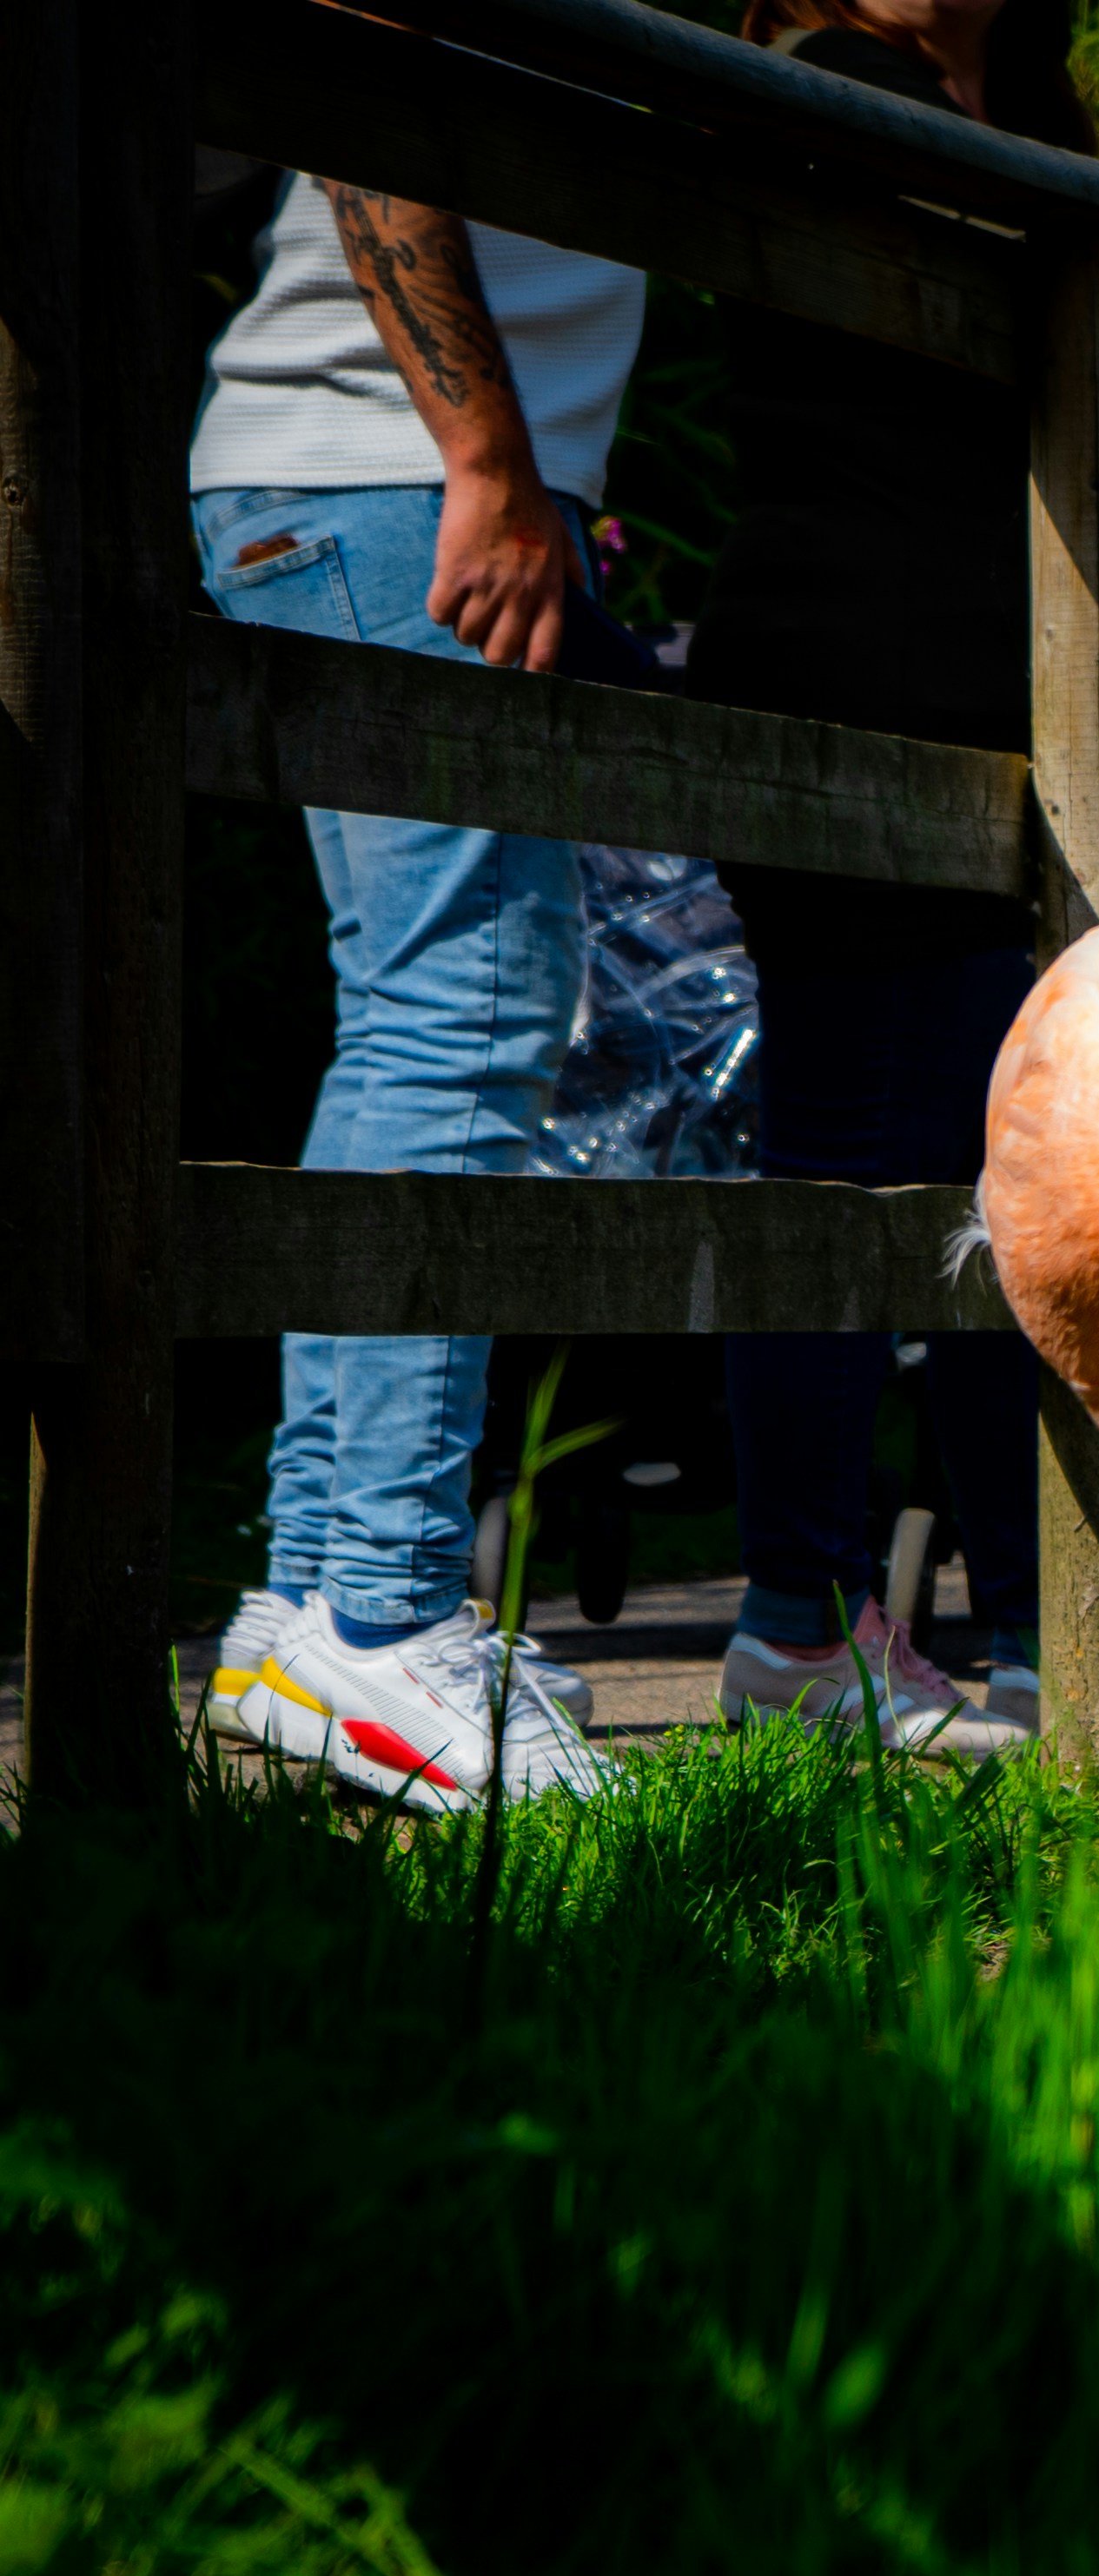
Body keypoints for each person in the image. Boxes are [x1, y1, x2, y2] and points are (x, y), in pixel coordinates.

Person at [687, 0, 1099, 1750]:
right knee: (853, 1167)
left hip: (1002, 729)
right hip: (845, 695)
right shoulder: (816, 87)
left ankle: (1030, 1641)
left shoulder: (1027, 95)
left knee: (991, 1185)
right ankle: (799, 1625)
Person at [188, 175, 632, 1803]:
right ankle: (385, 1611)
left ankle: (307, 1607)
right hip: (399, 474)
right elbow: (376, 108)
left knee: (408, 1017)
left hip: (370, 475)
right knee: (471, 1005)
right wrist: (492, 461)